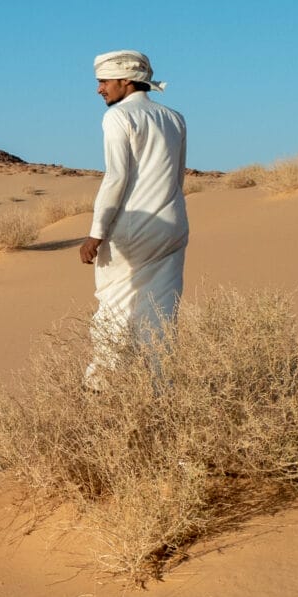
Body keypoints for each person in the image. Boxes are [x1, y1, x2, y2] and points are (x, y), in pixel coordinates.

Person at [79, 50, 188, 384]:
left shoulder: (118, 117)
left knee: (112, 305)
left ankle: (100, 387)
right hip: (173, 226)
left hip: (133, 229)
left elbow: (116, 178)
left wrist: (96, 233)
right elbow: (178, 176)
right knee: (161, 309)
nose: (99, 89)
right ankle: (162, 388)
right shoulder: (174, 117)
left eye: (104, 81)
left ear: (126, 80)